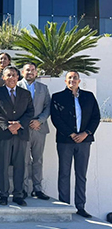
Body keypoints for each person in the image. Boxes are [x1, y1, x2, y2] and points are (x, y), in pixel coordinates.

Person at [51, 71, 100, 218]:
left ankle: (80, 206)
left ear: (79, 81)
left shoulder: (89, 96)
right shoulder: (57, 97)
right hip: (66, 141)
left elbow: (95, 117)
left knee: (81, 174)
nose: (72, 80)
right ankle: (64, 207)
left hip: (84, 141)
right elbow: (56, 118)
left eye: (75, 78)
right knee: (64, 174)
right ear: (65, 81)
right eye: (70, 78)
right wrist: (71, 134)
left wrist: (86, 133)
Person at [0, 66, 34, 207]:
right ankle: (3, 195)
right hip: (3, 134)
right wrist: (7, 125)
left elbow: (30, 112)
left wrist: (19, 124)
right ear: (3, 77)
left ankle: (18, 195)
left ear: (18, 77)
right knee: (2, 166)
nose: (11, 78)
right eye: (8, 75)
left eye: (14, 75)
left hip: (21, 134)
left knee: (20, 165)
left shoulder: (25, 94)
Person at [17, 62, 51, 200]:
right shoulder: (17, 86)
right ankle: (24, 189)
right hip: (23, 129)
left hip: (39, 128)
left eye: (32, 70)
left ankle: (37, 189)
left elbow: (48, 107)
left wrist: (40, 120)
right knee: (23, 160)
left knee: (38, 159)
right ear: (22, 72)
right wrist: (24, 122)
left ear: (36, 72)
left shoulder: (43, 88)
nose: (30, 72)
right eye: (27, 70)